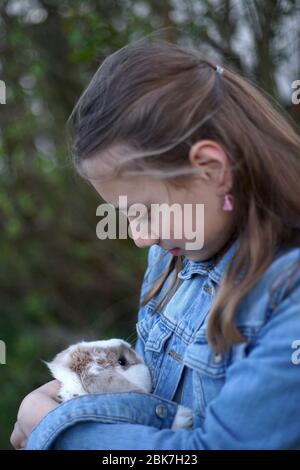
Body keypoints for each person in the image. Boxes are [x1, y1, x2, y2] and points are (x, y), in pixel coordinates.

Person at [11, 38, 300, 450]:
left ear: (212, 170)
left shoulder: (289, 296)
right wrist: (77, 395)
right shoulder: (173, 259)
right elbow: (162, 410)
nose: (140, 237)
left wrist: (61, 429)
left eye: (143, 211)